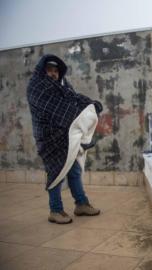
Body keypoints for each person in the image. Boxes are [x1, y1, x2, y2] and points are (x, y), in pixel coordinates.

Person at [27, 54, 103, 224]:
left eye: (56, 70)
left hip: (66, 137)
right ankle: (55, 210)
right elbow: (60, 109)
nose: (53, 73)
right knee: (56, 172)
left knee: (74, 170)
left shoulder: (62, 86)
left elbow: (74, 99)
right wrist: (81, 114)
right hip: (48, 138)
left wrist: (91, 105)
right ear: (42, 70)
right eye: (49, 70)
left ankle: (81, 204)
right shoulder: (37, 87)